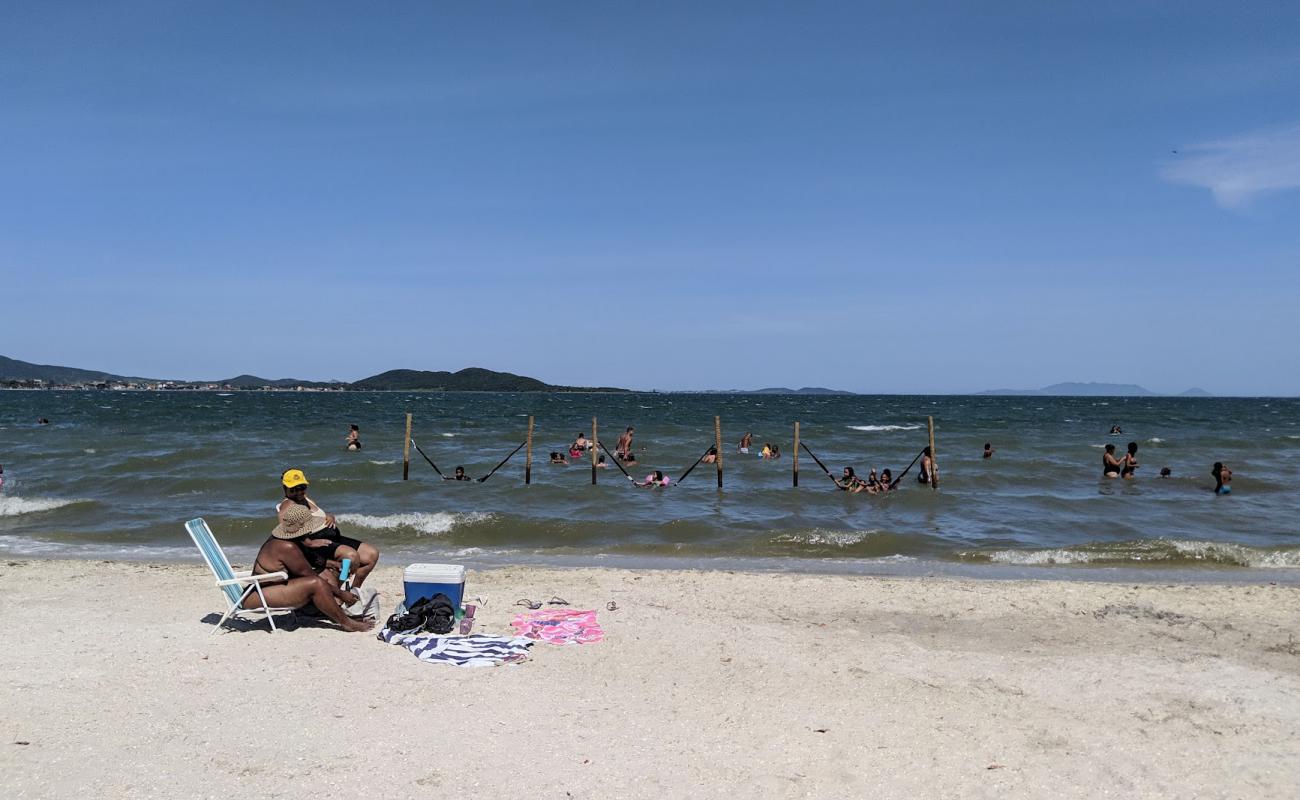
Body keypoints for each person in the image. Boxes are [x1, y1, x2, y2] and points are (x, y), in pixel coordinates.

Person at [245, 504, 374, 632]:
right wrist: (341, 593)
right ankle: (346, 623)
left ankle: (335, 612)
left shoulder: (288, 540)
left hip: (269, 588)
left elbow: (306, 563)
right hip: (257, 596)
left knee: (325, 576)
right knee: (316, 583)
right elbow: (309, 576)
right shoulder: (286, 547)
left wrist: (332, 564)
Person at [275, 469, 379, 589]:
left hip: (333, 538)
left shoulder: (305, 499)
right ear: (285, 489)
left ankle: (354, 591)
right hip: (318, 542)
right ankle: (339, 590)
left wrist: (328, 516)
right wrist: (309, 542)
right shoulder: (288, 504)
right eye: (293, 489)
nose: (298, 492)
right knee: (350, 558)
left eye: (302, 487)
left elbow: (317, 514)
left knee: (371, 554)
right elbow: (285, 528)